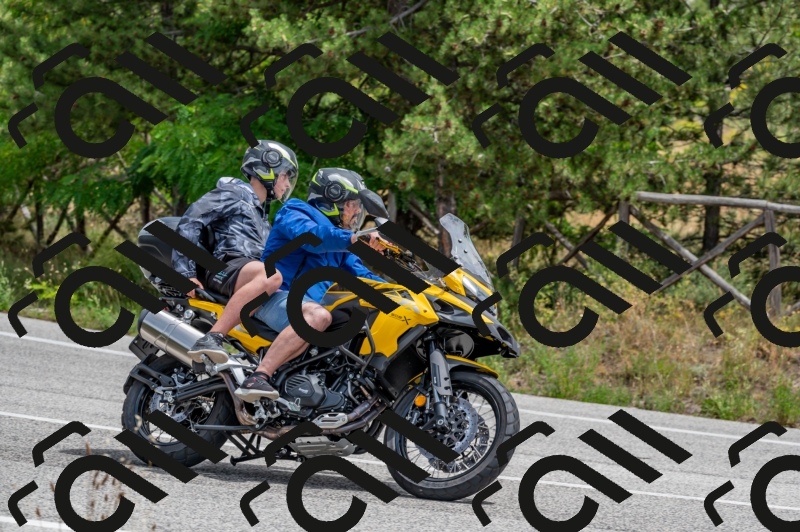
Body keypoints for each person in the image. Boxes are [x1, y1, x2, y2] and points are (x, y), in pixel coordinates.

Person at [234, 168, 387, 402]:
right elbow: (312, 238)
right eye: (352, 204)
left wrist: (413, 293)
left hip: (301, 307)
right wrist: (356, 239)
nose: (357, 211)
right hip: (272, 297)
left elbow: (365, 277)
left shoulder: (341, 243)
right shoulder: (295, 211)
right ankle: (259, 376)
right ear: (332, 199)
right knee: (318, 316)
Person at [171, 140, 299, 366]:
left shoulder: (261, 216)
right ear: (267, 170)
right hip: (225, 269)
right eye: (285, 176)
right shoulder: (234, 193)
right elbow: (192, 219)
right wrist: (185, 272)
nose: (288, 184)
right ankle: (213, 337)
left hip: (248, 276)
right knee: (271, 274)